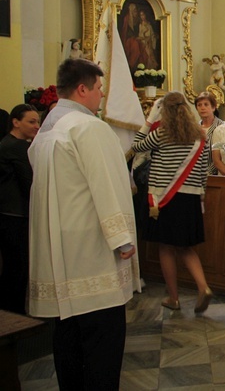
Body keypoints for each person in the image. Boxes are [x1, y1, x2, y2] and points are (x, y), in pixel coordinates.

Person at [28, 58, 138, 390]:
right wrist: (123, 239)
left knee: (68, 336)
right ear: (82, 89)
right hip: (92, 252)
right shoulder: (88, 127)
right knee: (102, 342)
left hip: (59, 249)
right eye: (99, 88)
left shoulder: (47, 130)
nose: (102, 95)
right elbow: (105, 184)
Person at [132, 92, 211, 312]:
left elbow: (137, 145)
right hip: (191, 197)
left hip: (164, 198)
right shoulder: (200, 135)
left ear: (164, 111)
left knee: (166, 247)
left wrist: (149, 120)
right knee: (185, 247)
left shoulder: (162, 133)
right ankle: (203, 287)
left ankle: (174, 298)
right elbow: (203, 169)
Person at [0, 104, 40, 314]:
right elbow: (29, 184)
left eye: (37, 121)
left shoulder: (8, 144)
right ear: (16, 122)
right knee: (17, 268)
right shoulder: (17, 147)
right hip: (15, 216)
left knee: (13, 267)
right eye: (31, 121)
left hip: (9, 214)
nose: (36, 126)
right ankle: (14, 315)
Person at [194, 91, 223, 176]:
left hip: (215, 175)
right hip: (196, 175)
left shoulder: (222, 127)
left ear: (213, 107)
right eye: (199, 105)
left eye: (206, 104)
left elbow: (221, 156)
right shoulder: (194, 128)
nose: (202, 108)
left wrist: (207, 172)